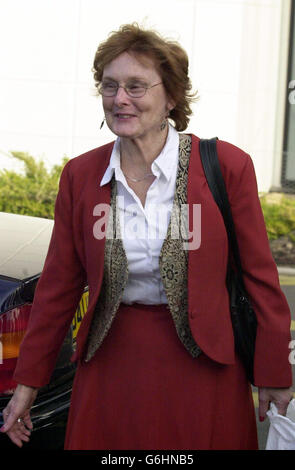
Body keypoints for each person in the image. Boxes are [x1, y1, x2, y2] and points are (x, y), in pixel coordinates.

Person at [1, 23, 293, 450]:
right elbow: (58, 290)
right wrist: (27, 384)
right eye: (110, 86)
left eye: (136, 87)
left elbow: (261, 281)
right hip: (111, 367)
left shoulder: (227, 167)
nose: (120, 99)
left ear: (171, 96)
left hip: (205, 367)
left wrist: (274, 376)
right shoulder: (81, 176)